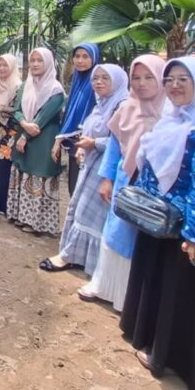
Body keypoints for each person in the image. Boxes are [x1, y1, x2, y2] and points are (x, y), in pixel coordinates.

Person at [120, 56, 195, 390]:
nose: (174, 86)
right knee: (164, 289)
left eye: (184, 79)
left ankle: (177, 362)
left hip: (193, 232)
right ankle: (158, 346)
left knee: (184, 298)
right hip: (164, 223)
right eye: (169, 80)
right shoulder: (176, 118)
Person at [77, 55, 166, 310]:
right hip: (124, 180)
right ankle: (103, 284)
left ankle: (129, 298)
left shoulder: (172, 113)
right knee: (114, 232)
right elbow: (115, 147)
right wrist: (107, 179)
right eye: (136, 77)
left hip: (156, 188)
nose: (141, 83)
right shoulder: (127, 108)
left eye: (149, 77)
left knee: (140, 240)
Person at [39, 64, 128, 272]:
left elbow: (124, 142)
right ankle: (75, 255)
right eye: (95, 78)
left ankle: (82, 260)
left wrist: (94, 144)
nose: (99, 82)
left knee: (93, 214)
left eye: (105, 78)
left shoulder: (123, 106)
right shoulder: (101, 104)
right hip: (91, 162)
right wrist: (83, 147)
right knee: (81, 209)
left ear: (118, 81)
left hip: (108, 168)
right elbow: (91, 130)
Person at [7, 48, 66, 236]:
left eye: (39, 60)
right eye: (32, 60)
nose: (35, 64)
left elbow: (43, 118)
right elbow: (16, 110)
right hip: (24, 135)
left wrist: (26, 135)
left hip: (44, 139)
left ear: (48, 63)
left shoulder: (56, 89)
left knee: (39, 174)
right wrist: (24, 123)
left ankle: (38, 223)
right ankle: (21, 216)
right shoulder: (26, 85)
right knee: (23, 172)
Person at [52, 43, 101, 196]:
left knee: (82, 191)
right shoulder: (78, 81)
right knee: (73, 189)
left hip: (91, 144)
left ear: (94, 58)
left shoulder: (97, 84)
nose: (80, 61)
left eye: (85, 57)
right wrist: (60, 139)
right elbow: (71, 114)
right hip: (76, 144)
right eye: (77, 56)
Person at [0, 54, 22, 215]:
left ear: (12, 67)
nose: (1, 68)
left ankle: (3, 205)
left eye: (5, 65)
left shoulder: (18, 86)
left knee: (4, 166)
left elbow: (18, 111)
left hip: (9, 132)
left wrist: (0, 108)